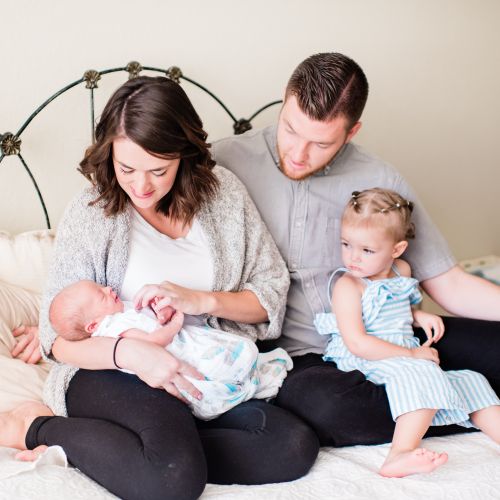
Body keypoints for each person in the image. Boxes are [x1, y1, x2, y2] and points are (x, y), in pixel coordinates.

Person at [2, 75, 319, 500]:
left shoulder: (224, 195)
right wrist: (132, 352)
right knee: (170, 481)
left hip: (201, 370)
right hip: (112, 370)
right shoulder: (93, 210)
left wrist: (200, 300)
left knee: (292, 446)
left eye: (159, 170)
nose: (141, 186)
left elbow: (270, 292)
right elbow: (55, 338)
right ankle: (36, 426)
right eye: (126, 167)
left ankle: (142, 449)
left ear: (184, 157)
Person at [212, 52, 500, 447]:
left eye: (320, 143)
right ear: (284, 100)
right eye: (291, 129)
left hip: (396, 335)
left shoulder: (380, 178)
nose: (298, 154)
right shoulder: (224, 164)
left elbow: (446, 281)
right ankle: (460, 401)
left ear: (352, 132)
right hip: (308, 359)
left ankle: (433, 398)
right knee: (330, 411)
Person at [314, 188, 500, 477]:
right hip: (367, 356)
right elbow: (357, 343)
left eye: (367, 250)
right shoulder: (348, 286)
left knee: (471, 379)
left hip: (400, 352)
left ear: (396, 249)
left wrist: (418, 315)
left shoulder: (402, 271)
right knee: (420, 372)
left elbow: (400, 306)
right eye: (346, 244)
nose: (353, 258)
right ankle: (399, 453)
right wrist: (413, 354)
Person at [49, 279, 292, 420]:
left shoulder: (121, 311)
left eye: (102, 287)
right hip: (172, 358)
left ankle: (249, 379)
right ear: (93, 325)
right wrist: (175, 324)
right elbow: (150, 344)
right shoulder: (113, 327)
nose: (108, 289)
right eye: (101, 296)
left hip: (187, 341)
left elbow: (150, 321)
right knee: (212, 370)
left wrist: (162, 312)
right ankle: (245, 383)